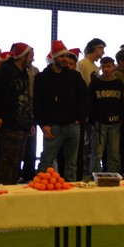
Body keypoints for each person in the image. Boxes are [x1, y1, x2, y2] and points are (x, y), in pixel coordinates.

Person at [33, 41, 88, 180]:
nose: (65, 59)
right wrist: (43, 124)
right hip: (52, 127)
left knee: (72, 164)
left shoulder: (74, 76)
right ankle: (41, 187)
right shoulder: (42, 78)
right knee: (46, 162)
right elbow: (37, 103)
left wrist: (79, 118)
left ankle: (70, 189)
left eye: (67, 56)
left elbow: (83, 99)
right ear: (54, 57)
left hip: (72, 125)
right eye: (62, 56)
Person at [0, 43, 36, 184]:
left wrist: (29, 122)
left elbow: (25, 99)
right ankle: (5, 191)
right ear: (22, 57)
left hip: (22, 123)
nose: (32, 59)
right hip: (10, 123)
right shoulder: (6, 72)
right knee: (8, 162)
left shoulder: (23, 73)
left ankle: (12, 189)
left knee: (16, 163)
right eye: (30, 56)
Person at [89, 56, 124, 174]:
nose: (106, 69)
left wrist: (121, 118)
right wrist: (93, 119)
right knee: (97, 153)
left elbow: (122, 103)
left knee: (114, 153)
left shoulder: (119, 83)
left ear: (113, 67)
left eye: (108, 66)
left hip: (116, 123)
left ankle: (113, 177)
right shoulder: (95, 83)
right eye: (103, 66)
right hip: (100, 123)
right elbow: (90, 102)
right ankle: (95, 177)